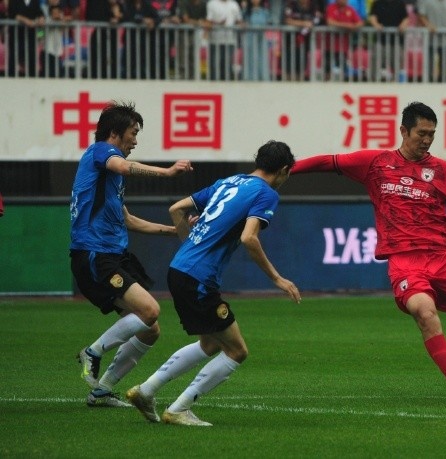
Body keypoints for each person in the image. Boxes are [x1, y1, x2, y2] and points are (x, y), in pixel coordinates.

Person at [289, 102, 446, 408]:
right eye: (421, 133)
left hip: (444, 257)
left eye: (432, 134)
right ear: (403, 131)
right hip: (405, 261)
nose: (427, 140)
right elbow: (329, 162)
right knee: (424, 312)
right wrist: (287, 169)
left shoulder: (441, 169)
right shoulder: (376, 163)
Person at [126, 140, 301, 426]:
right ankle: (179, 408)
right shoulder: (266, 193)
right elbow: (249, 238)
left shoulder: (228, 181)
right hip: (198, 277)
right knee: (237, 351)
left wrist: (191, 244)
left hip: (179, 269)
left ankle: (146, 391)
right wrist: (277, 278)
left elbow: (176, 208)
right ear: (283, 170)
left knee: (209, 343)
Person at [70, 102, 193, 407]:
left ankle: (101, 390)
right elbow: (124, 166)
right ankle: (92, 352)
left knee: (150, 330)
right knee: (150, 310)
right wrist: (167, 172)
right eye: (133, 133)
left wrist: (175, 231)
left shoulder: (109, 178)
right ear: (115, 133)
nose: (135, 141)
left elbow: (129, 220)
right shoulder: (100, 152)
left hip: (114, 254)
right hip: (95, 254)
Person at [416, 0, 446, 83]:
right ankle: (427, 86)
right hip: (429, 40)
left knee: (444, 70)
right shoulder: (425, 1)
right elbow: (420, 15)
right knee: (428, 69)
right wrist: (428, 24)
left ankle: (443, 87)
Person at [206, 0, 244, 80]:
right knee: (214, 66)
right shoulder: (212, 3)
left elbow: (239, 20)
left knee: (227, 66)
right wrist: (218, 24)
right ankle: (213, 85)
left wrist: (242, 25)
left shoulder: (234, 4)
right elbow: (208, 21)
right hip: (215, 40)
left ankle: (227, 85)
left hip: (230, 40)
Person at [7, 0, 45, 77]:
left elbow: (40, 13)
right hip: (16, 38)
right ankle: (11, 79)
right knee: (14, 60)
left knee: (31, 60)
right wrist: (25, 20)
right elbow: (13, 14)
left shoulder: (35, 2)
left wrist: (41, 18)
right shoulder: (14, 1)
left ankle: (32, 80)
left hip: (31, 37)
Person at [177, 0, 208, 79]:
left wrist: (197, 22)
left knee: (194, 58)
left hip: (196, 33)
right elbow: (186, 20)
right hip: (184, 33)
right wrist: (199, 22)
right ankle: (182, 78)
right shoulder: (183, 2)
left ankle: (193, 78)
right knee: (183, 58)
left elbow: (206, 21)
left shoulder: (204, 4)